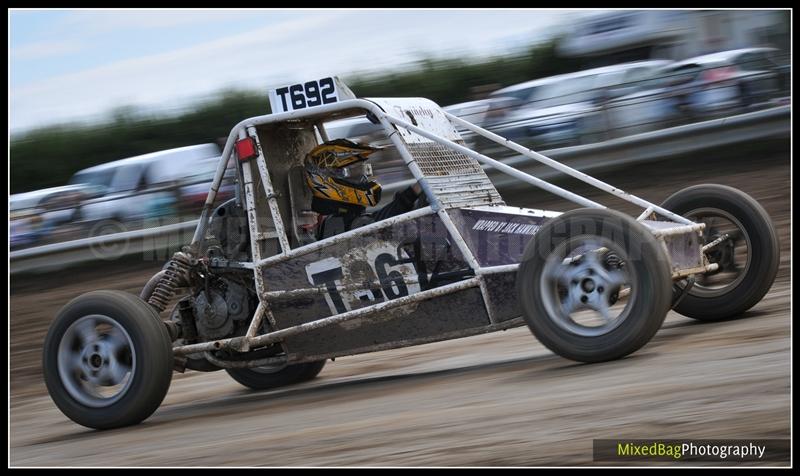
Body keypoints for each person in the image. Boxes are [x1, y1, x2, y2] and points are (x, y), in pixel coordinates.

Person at [304, 139, 423, 239]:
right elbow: (378, 224)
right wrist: (412, 193)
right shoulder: (335, 223)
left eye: (363, 172)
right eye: (355, 175)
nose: (364, 179)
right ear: (330, 181)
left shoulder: (340, 216)